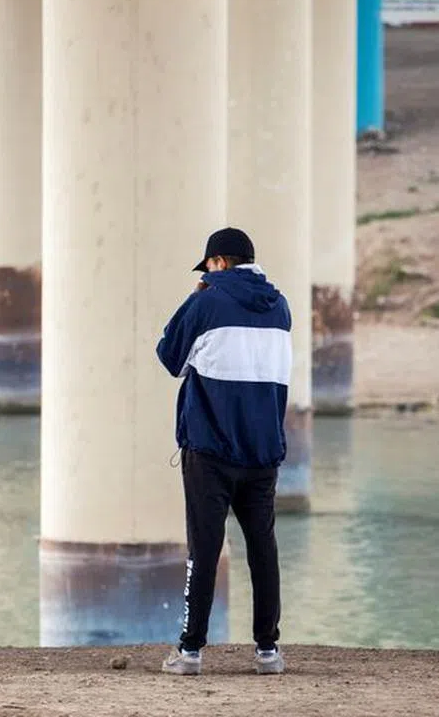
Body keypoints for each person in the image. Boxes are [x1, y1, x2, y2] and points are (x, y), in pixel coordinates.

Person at [155, 227, 292, 676]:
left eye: (208, 268)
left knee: (205, 547)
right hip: (263, 449)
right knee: (263, 549)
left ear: (217, 263)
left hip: (211, 451)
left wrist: (196, 295)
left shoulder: (206, 301)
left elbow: (169, 354)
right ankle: (268, 651)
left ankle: (191, 651)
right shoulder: (281, 307)